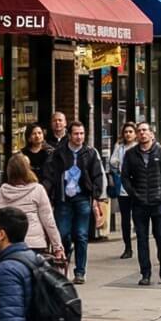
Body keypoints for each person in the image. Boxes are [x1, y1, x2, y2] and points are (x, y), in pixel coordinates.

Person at [50, 122, 105, 285]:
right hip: (63, 199)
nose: (79, 137)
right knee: (63, 234)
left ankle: (80, 271)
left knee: (81, 235)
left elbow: (97, 176)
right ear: (69, 135)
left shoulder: (90, 153)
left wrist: (96, 196)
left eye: (82, 133)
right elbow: (51, 174)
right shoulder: (59, 153)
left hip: (82, 197)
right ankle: (64, 261)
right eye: (76, 134)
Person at [122, 122, 161, 285]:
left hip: (159, 203)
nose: (142, 133)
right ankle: (145, 273)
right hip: (139, 204)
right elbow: (124, 177)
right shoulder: (131, 154)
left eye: (145, 130)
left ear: (152, 134)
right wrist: (133, 193)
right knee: (142, 239)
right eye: (139, 131)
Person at [0, 154, 64, 266]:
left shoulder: (3, 191)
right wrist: (58, 247)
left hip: (9, 244)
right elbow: (48, 221)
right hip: (35, 244)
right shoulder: (38, 189)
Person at [109, 123, 136, 258]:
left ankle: (141, 243)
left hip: (138, 187)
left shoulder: (138, 147)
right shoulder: (119, 148)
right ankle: (128, 247)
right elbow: (112, 163)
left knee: (138, 217)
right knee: (125, 219)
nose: (128, 134)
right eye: (126, 132)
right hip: (124, 187)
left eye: (131, 131)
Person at [20, 123, 54, 188]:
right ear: (29, 137)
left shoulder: (50, 152)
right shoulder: (23, 153)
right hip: (27, 187)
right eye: (34, 134)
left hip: (46, 188)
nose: (37, 136)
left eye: (39, 133)